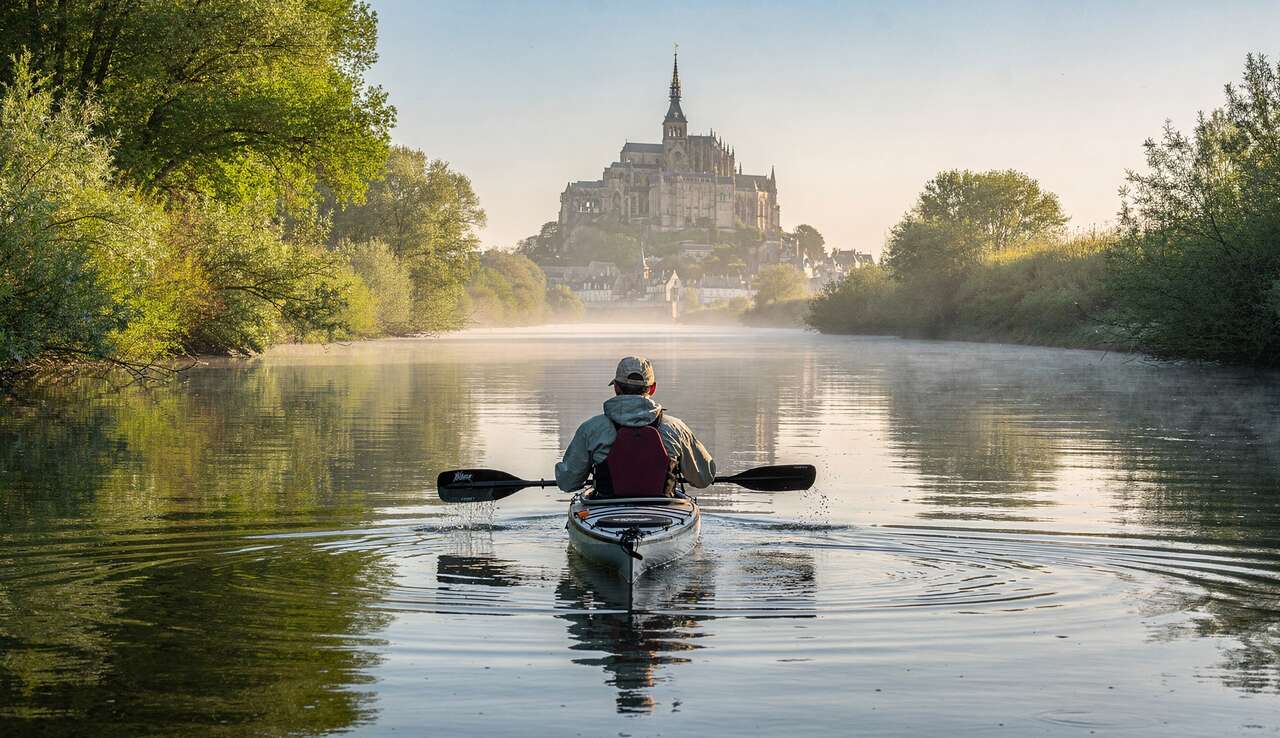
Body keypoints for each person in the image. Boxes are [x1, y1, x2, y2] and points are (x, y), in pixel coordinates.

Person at [555, 356, 715, 497]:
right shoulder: (676, 428)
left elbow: (568, 482)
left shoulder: (591, 429)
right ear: (652, 388)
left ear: (616, 387)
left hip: (606, 511)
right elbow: (703, 478)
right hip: (663, 512)